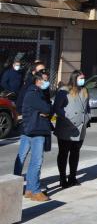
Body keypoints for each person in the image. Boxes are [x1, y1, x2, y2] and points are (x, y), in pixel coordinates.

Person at [53, 70, 90, 189]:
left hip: (80, 128)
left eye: (83, 78)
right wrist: (67, 117)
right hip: (66, 128)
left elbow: (87, 107)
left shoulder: (84, 91)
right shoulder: (64, 91)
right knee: (63, 154)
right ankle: (62, 178)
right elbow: (57, 108)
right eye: (80, 78)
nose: (82, 80)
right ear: (74, 78)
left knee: (75, 153)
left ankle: (72, 177)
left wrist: (88, 117)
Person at [21, 72, 53, 201]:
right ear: (38, 81)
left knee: (35, 162)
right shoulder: (33, 93)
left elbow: (48, 108)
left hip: (37, 129)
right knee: (37, 162)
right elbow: (47, 108)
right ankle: (35, 190)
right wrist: (45, 110)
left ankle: (29, 189)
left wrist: (46, 110)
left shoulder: (39, 93)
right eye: (45, 80)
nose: (47, 82)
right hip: (36, 130)